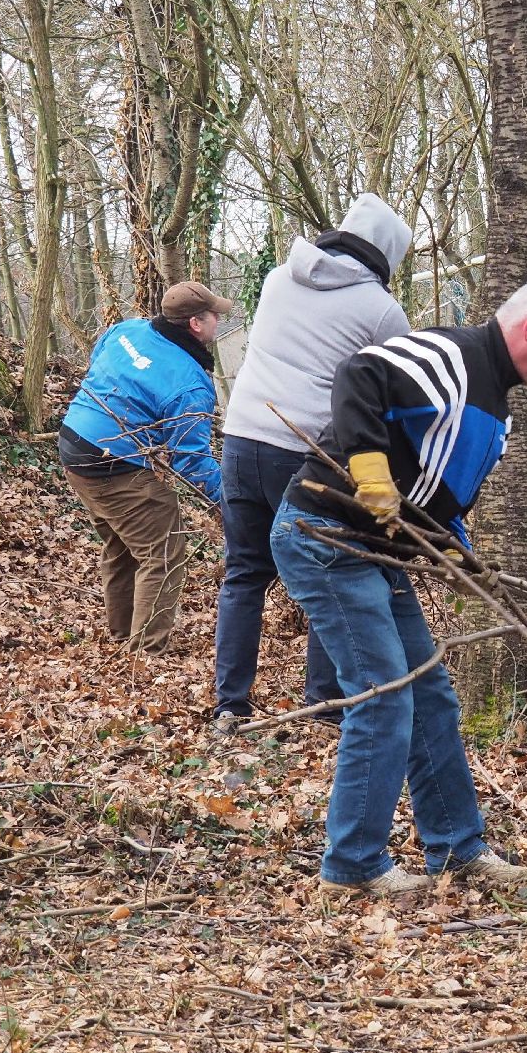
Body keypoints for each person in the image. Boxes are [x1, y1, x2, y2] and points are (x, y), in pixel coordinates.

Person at [269, 275, 527, 896]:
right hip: (326, 535)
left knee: (431, 696)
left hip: (381, 551)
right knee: (384, 695)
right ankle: (353, 866)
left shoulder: (497, 408)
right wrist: (369, 470)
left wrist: (454, 550)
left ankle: (458, 849)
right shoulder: (451, 356)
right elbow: (360, 375)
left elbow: (437, 495)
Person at [213, 194, 414, 726]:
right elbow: (398, 393)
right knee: (332, 568)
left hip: (240, 437)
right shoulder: (382, 310)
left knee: (244, 573)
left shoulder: (278, 278)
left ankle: (230, 705)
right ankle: (322, 704)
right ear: (388, 256)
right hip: (304, 450)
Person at [58, 281, 232, 654]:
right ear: (196, 324)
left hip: (73, 443)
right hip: (112, 464)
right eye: (214, 315)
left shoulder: (126, 330)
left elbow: (98, 365)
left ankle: (123, 633)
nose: (219, 320)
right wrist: (227, 500)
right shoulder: (190, 384)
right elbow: (191, 459)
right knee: (163, 550)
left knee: (122, 543)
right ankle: (147, 653)